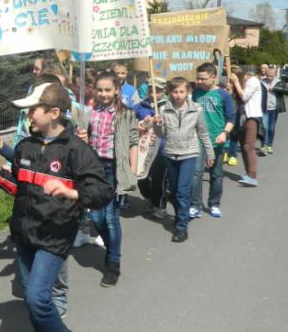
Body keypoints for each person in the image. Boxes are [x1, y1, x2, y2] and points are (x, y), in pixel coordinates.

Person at [0, 82, 112, 332]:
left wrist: (72, 192)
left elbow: (102, 192)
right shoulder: (26, 146)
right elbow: (20, 188)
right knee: (32, 301)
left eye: (33, 109)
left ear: (54, 113)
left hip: (54, 235)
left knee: (38, 298)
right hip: (24, 234)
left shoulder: (76, 150)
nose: (28, 115)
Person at [77, 71, 138, 287]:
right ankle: (112, 247)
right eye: (100, 90)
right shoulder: (89, 113)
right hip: (94, 169)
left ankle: (113, 262)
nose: (103, 94)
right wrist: (81, 138)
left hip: (114, 169)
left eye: (108, 90)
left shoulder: (125, 114)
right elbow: (81, 142)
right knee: (96, 218)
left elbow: (133, 142)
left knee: (111, 217)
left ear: (116, 91)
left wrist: (131, 171)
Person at [150, 79, 215, 242]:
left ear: (188, 92)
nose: (178, 95)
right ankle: (182, 214)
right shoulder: (163, 109)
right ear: (169, 92)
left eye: (181, 92)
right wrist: (157, 124)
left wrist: (210, 153)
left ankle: (181, 227)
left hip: (189, 153)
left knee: (182, 191)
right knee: (173, 191)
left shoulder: (196, 109)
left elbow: (203, 132)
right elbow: (160, 134)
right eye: (175, 92)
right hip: (170, 154)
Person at [191, 63, 236, 219]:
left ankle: (214, 203)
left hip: (217, 140)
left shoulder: (224, 95)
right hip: (198, 139)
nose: (199, 81)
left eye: (203, 79)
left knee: (216, 174)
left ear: (214, 77)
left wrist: (225, 133)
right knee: (196, 173)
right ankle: (195, 204)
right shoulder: (195, 93)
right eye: (198, 78)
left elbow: (231, 118)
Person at [133, 76, 169, 219]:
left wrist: (160, 121)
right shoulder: (140, 106)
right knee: (141, 177)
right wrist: (138, 125)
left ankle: (159, 205)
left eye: (157, 90)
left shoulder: (169, 106)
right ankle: (149, 197)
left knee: (159, 180)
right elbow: (129, 120)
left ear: (164, 91)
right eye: (150, 90)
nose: (153, 94)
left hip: (161, 150)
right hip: (144, 150)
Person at [229, 68, 263, 187]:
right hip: (241, 117)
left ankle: (252, 176)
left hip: (251, 117)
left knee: (249, 146)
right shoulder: (242, 83)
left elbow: (244, 97)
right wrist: (231, 88)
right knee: (243, 146)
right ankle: (248, 173)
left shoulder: (253, 81)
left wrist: (236, 83)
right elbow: (236, 99)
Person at [262, 66, 288, 154]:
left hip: (274, 108)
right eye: (267, 76)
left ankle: (269, 145)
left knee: (271, 128)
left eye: (270, 76)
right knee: (264, 127)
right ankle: (264, 145)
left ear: (275, 75)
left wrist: (275, 88)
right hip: (264, 108)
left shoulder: (279, 82)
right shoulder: (262, 82)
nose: (269, 78)